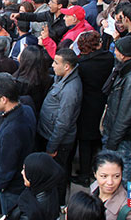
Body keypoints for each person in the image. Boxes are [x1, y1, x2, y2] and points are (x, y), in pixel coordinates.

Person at [37, 49, 82, 205]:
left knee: (58, 173)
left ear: (67, 67)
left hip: (58, 141)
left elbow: (64, 122)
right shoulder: (62, 78)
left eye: (56, 63)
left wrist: (52, 146)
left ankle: (59, 203)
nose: (53, 65)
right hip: (49, 134)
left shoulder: (71, 89)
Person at [0, 78, 36, 215]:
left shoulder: (12, 131)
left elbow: (7, 164)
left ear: (4, 99)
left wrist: (0, 186)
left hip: (11, 186)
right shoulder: (26, 110)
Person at [99, 37, 131, 183]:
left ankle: (126, 200)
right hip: (112, 128)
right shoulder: (122, 70)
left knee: (122, 168)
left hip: (119, 134)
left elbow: (125, 114)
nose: (114, 52)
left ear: (123, 55)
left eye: (116, 50)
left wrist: (113, 139)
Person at [73, 31, 114, 187]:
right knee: (98, 137)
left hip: (87, 105)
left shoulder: (82, 65)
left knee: (85, 141)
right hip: (103, 102)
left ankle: (84, 174)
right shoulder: (109, 58)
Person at [7, 152, 65, 220]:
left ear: (35, 178)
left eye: (25, 171)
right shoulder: (49, 187)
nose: (22, 172)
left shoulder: (30, 213)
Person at [89, 151, 131, 220]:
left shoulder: (126, 209)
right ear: (95, 174)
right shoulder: (94, 188)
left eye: (116, 176)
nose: (110, 182)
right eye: (104, 176)